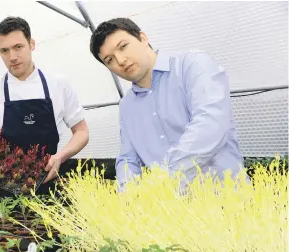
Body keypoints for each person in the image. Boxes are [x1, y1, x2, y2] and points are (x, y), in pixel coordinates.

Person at [89, 18, 244, 190]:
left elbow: (210, 125)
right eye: (109, 60)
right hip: (170, 211)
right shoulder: (127, 106)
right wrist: (128, 195)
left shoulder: (192, 66)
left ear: (143, 38)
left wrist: (162, 180)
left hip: (228, 201)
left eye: (123, 46)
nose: (120, 60)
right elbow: (128, 158)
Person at [0, 16, 89, 186]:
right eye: (4, 51)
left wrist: (60, 157)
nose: (12, 56)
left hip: (46, 177)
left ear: (31, 44)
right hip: (2, 183)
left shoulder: (58, 84)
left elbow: (82, 132)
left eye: (18, 47)